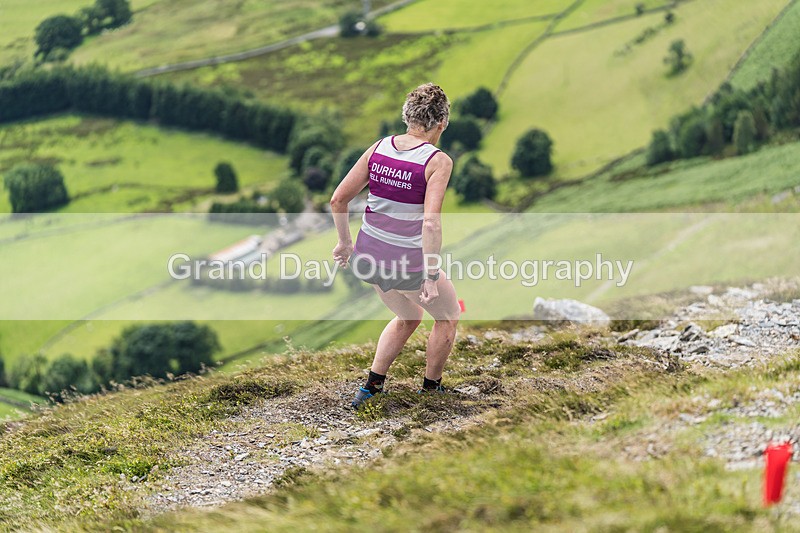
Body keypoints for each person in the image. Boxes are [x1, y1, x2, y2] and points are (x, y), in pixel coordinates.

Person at [330, 83, 461, 409]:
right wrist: (429, 275)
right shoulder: (437, 161)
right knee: (448, 316)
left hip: (368, 259)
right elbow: (430, 222)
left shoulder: (379, 148)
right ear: (441, 123)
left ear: (408, 116)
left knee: (408, 316)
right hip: (408, 266)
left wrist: (345, 243)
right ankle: (431, 392)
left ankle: (371, 388)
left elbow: (338, 199)